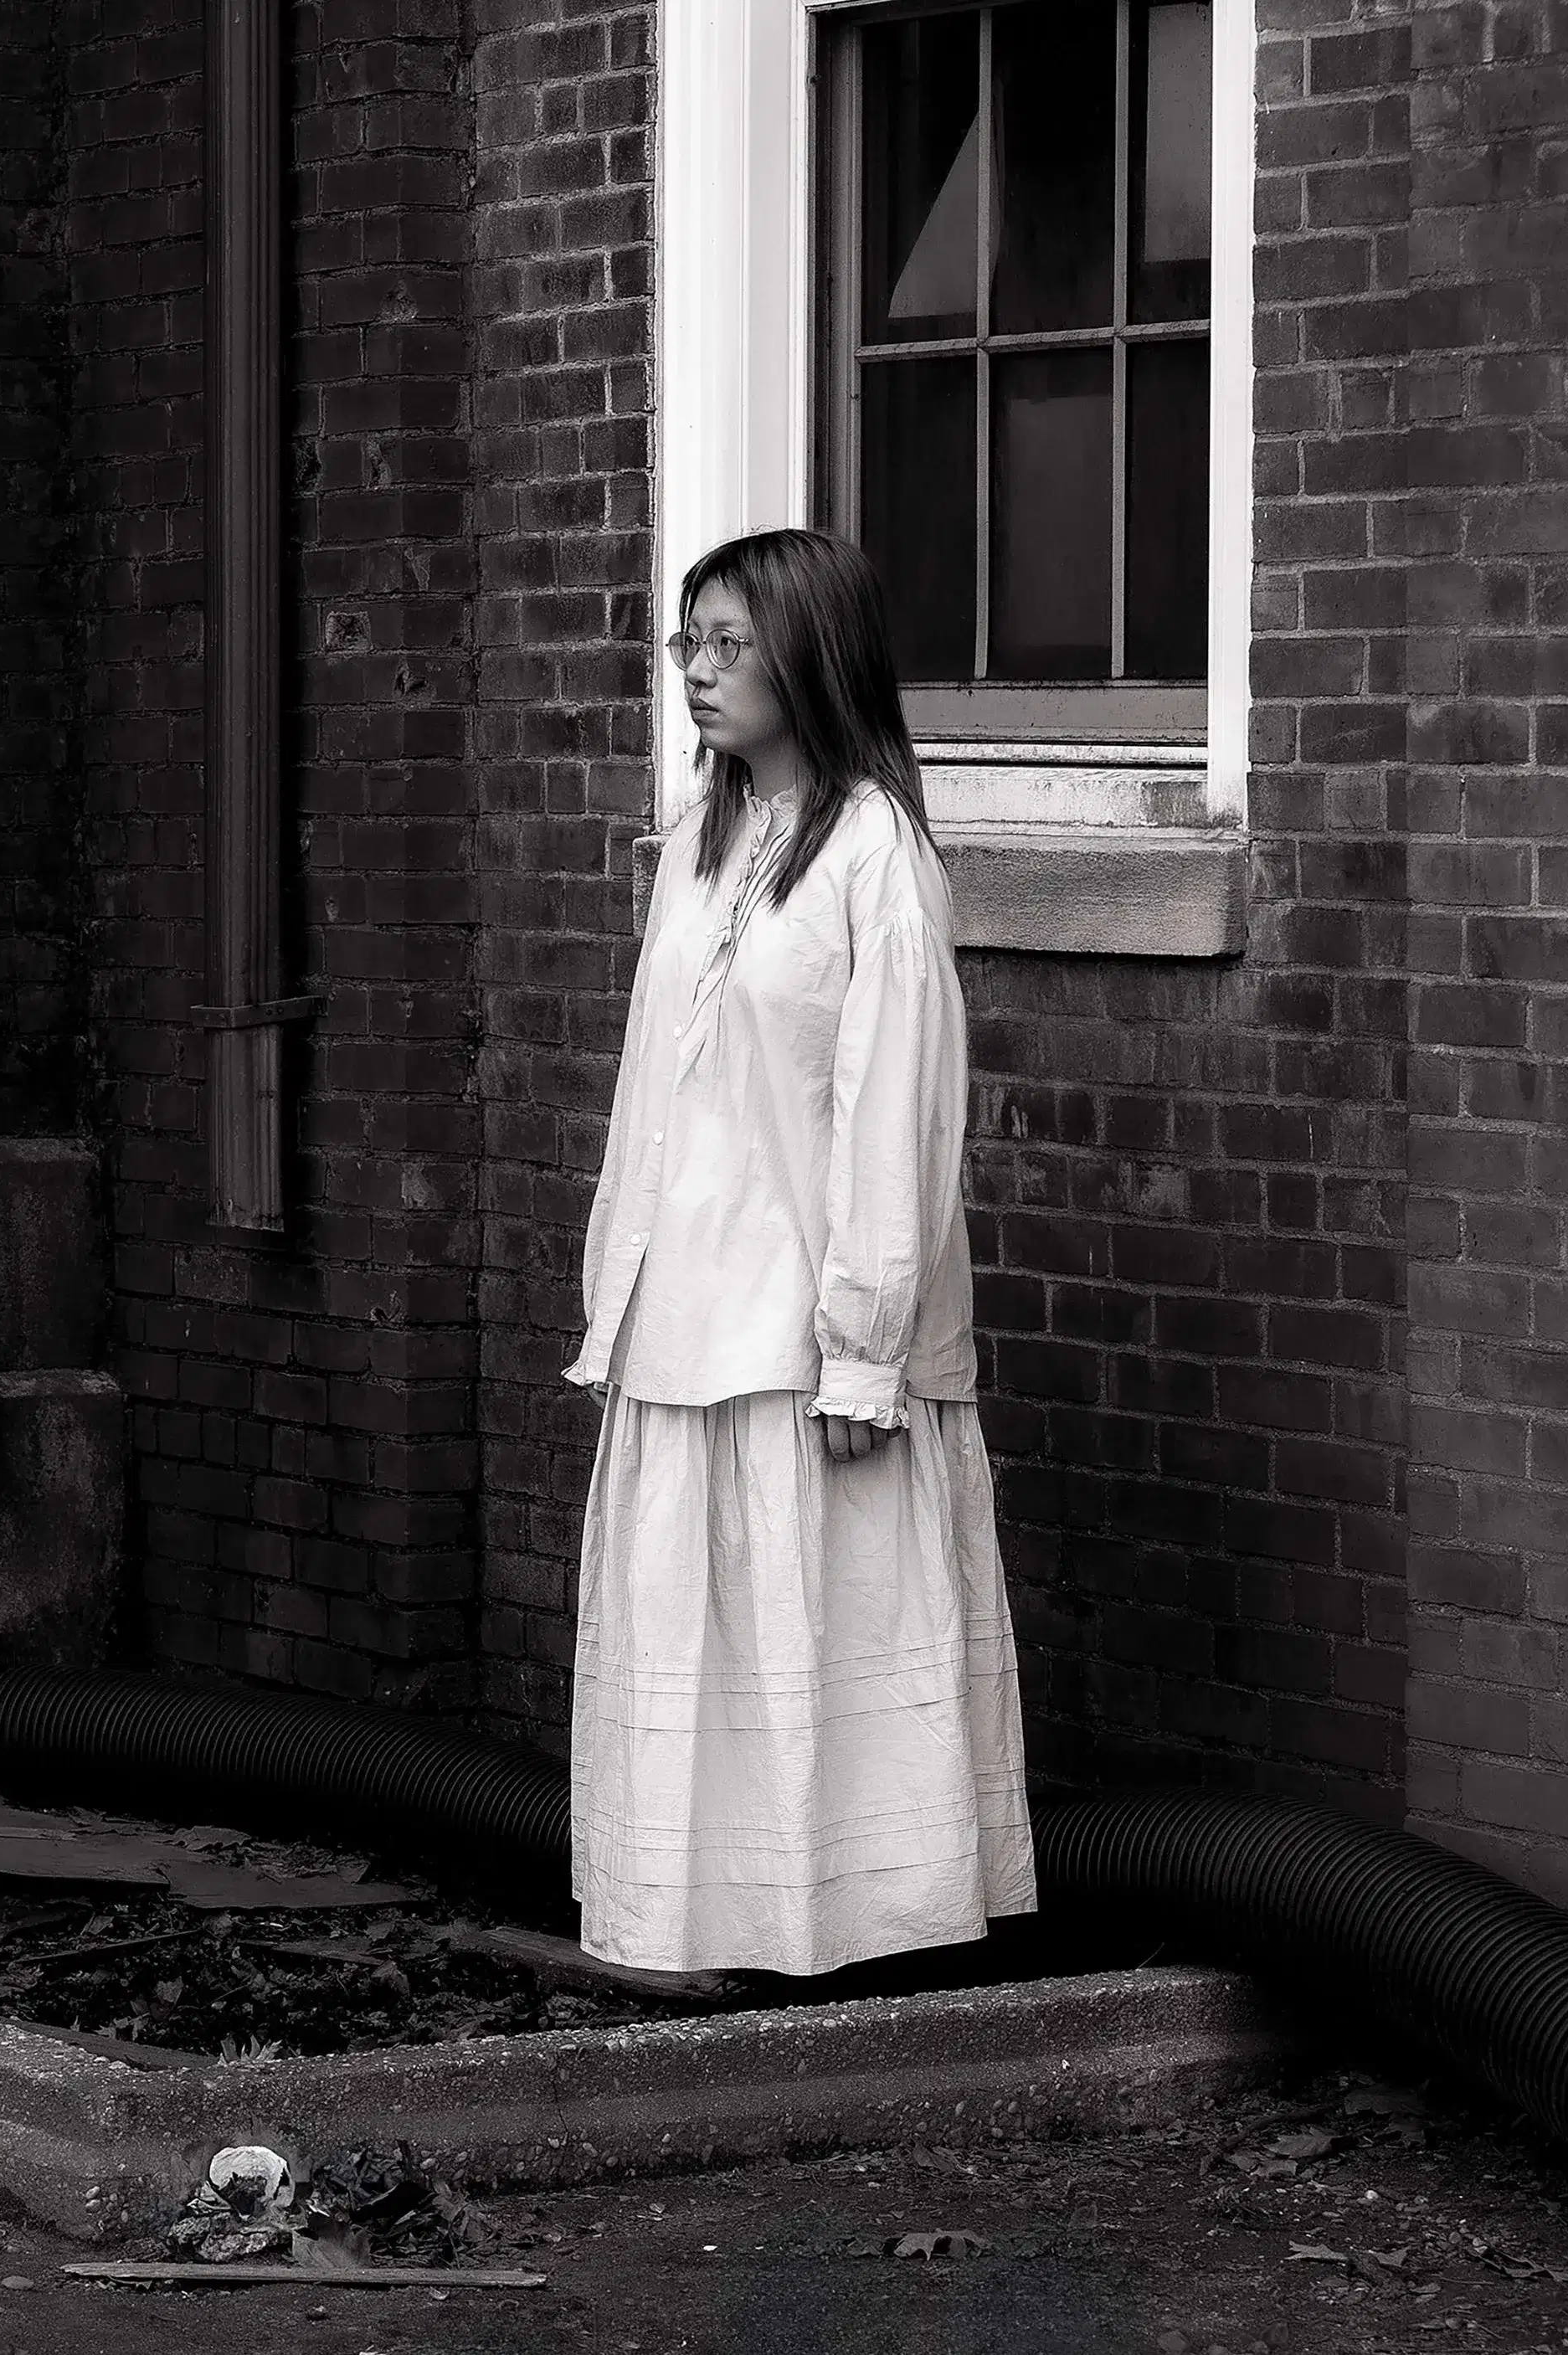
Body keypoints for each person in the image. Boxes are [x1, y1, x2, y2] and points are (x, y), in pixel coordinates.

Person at [561, 527, 1035, 1977]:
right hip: (687, 1313)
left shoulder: (873, 854)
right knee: (702, 1646)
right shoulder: (703, 847)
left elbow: (897, 1112)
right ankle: (700, 1932)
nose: (696, 673)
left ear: (807, 656)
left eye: (728, 645)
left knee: (814, 1639)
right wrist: (616, 1297)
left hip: (802, 1328)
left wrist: (863, 1348)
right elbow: (655, 1090)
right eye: (684, 644)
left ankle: (849, 1940)